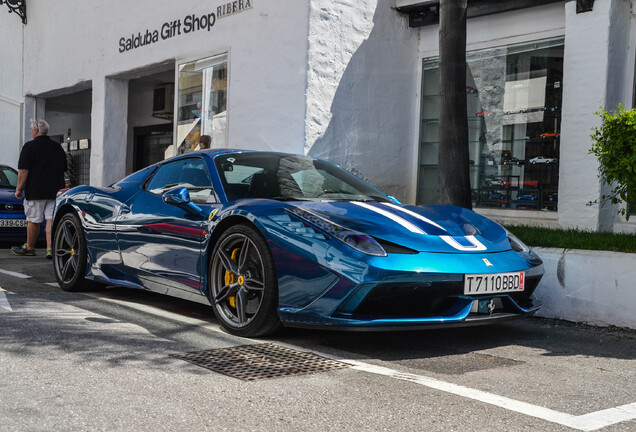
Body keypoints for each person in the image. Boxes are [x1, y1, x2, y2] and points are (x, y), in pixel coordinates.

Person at [11, 120, 67, 258]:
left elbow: (23, 170)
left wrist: (19, 188)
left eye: (31, 129)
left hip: (36, 191)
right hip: (55, 191)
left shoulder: (29, 147)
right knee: (50, 219)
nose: (30, 132)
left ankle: (29, 247)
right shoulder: (57, 147)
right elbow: (64, 168)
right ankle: (50, 249)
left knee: (33, 220)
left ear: (36, 131)